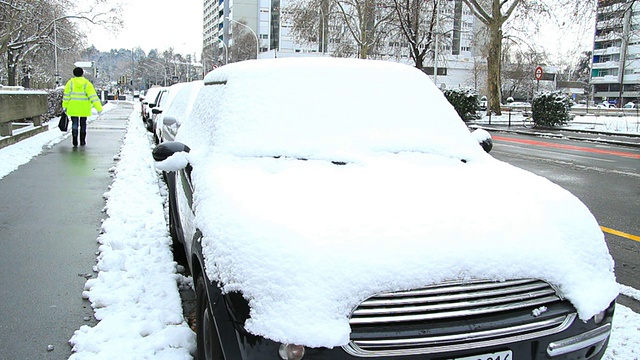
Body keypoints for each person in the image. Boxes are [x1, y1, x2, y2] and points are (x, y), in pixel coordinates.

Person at [62, 67, 103, 147]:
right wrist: (99, 108)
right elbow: (93, 96)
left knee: (74, 123)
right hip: (84, 108)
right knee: (83, 124)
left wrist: (65, 106)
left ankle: (74, 139)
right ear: (82, 74)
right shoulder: (87, 83)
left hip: (73, 107)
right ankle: (82, 140)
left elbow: (66, 96)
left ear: (74, 73)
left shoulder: (70, 83)